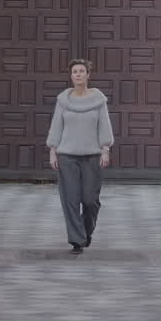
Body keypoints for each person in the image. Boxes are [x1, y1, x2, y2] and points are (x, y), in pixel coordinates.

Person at [46, 58, 114, 255]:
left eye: (81, 71)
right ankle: (77, 240)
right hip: (66, 156)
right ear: (71, 75)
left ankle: (86, 231)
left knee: (90, 200)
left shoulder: (98, 100)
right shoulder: (63, 101)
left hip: (92, 156)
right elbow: (57, 125)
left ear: (88, 75)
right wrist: (53, 150)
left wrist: (105, 149)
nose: (78, 74)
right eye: (74, 71)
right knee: (71, 199)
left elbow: (104, 125)